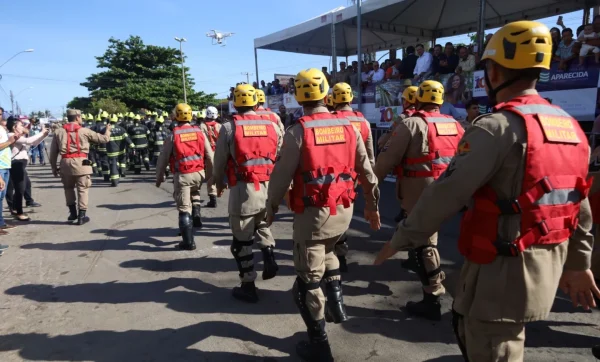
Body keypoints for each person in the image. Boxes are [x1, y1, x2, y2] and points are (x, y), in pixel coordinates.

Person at [374, 21, 600, 361]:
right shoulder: (569, 127)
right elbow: (577, 202)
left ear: (494, 73)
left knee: (491, 345)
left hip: (501, 267)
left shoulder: (497, 128)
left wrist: (401, 238)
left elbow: (446, 192)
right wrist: (580, 262)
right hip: (545, 263)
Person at [265, 68, 380, 361]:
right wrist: (372, 205)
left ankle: (319, 344)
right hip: (344, 210)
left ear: (297, 97)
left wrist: (270, 207)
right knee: (330, 253)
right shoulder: (349, 127)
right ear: (326, 95)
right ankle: (337, 305)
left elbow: (280, 177)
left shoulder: (298, 131)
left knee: (307, 282)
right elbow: (368, 172)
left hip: (313, 216)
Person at [373, 80, 464, 320]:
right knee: (422, 239)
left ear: (417, 99)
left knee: (425, 244)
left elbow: (387, 159)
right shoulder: (455, 124)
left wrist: (371, 186)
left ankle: (432, 298)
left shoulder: (411, 123)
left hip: (420, 193)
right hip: (450, 190)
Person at [213, 84, 283, 303]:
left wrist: (218, 183)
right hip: (268, 186)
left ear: (235, 103)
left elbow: (220, 161)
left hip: (243, 190)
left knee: (241, 241)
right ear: (256, 101)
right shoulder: (272, 124)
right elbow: (281, 154)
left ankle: (248, 285)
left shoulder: (229, 127)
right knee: (262, 222)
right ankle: (269, 254)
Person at [330, 82, 375, 272]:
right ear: (351, 98)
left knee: (335, 215)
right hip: (356, 176)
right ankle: (341, 254)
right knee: (348, 210)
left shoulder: (330, 120)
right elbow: (370, 157)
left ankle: (338, 255)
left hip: (335, 177)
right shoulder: (363, 121)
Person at [156, 103, 214, 250]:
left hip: (183, 175)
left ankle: (188, 242)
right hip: (199, 174)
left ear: (176, 116)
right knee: (195, 192)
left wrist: (159, 177)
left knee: (183, 208)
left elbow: (162, 159)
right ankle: (196, 214)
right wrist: (211, 175)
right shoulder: (199, 132)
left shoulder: (173, 135)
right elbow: (210, 156)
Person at [50, 109, 111, 225]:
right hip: (82, 163)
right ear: (77, 117)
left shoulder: (58, 132)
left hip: (65, 163)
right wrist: (107, 131)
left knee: (68, 188)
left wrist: (53, 167)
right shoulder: (84, 131)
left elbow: (53, 153)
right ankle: (81, 217)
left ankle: (72, 213)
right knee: (82, 189)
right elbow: (104, 139)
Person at [378, 85, 419, 223]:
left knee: (405, 197)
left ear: (407, 101)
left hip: (408, 166)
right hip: (430, 168)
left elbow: (388, 138)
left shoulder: (404, 117)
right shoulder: (429, 117)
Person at [6, 117, 49, 221]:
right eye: (20, 125)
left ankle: (16, 208)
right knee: (19, 188)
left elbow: (34, 143)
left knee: (25, 185)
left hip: (20, 164)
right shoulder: (12, 135)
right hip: (16, 164)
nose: (23, 127)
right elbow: (29, 141)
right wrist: (41, 132)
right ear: (14, 127)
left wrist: (43, 135)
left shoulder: (18, 136)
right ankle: (19, 212)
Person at [0, 108, 21, 237]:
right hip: (0, 166)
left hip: (5, 164)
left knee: (1, 197)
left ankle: (1, 223)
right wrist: (9, 142)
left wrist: (12, 142)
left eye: (1, 114)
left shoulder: (2, 129)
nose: (0, 116)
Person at [377, 85, 418, 149]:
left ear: (406, 102)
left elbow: (385, 139)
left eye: (403, 100)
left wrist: (381, 142)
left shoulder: (403, 117)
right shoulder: (424, 116)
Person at [199, 106, 221, 208]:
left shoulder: (202, 126)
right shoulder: (220, 126)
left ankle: (213, 197)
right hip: (220, 153)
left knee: (210, 176)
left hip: (209, 155)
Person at [104, 114, 134, 187]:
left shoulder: (105, 129)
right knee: (122, 162)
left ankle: (114, 181)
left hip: (111, 152)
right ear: (116, 120)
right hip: (121, 151)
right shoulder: (122, 129)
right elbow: (127, 139)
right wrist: (132, 146)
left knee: (113, 165)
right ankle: (122, 172)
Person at [94, 112, 110, 180]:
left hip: (101, 147)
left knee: (104, 162)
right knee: (112, 161)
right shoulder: (110, 125)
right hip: (111, 148)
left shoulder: (96, 126)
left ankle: (106, 177)